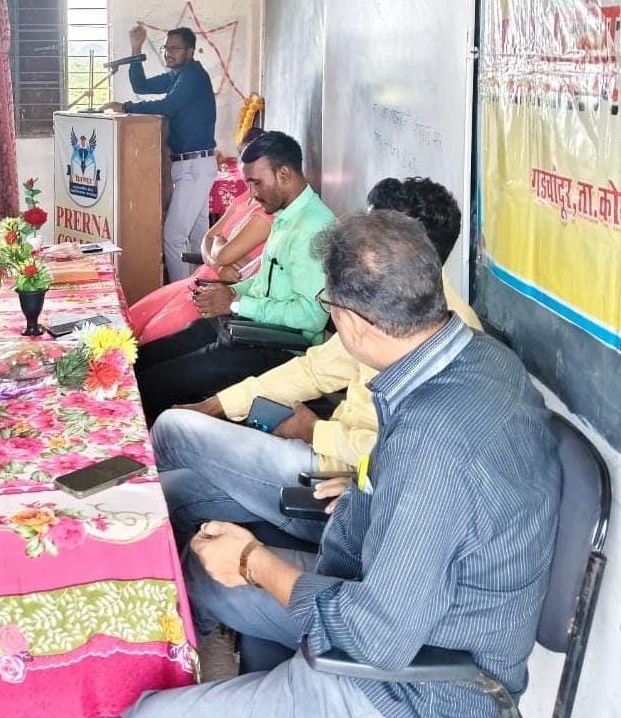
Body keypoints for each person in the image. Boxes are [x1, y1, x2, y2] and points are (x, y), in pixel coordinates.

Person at [86, 210, 561, 718]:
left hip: (412, 695)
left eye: (328, 306)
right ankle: (194, 681)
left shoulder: (434, 441)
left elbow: (376, 637)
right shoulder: (475, 358)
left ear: (352, 321)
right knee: (200, 571)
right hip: (380, 592)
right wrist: (366, 488)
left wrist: (252, 562)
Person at [155, 177, 483, 546]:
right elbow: (316, 369)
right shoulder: (388, 305)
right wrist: (215, 405)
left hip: (340, 492)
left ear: (407, 253)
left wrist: (315, 432)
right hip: (320, 456)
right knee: (173, 491)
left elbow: (406, 464)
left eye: (368, 241)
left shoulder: (446, 344)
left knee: (172, 427)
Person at [134, 131, 334, 419]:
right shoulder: (286, 215)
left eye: (256, 182)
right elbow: (265, 282)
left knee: (152, 385)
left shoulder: (313, 228)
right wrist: (231, 292)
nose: (251, 193)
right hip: (247, 326)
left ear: (284, 174)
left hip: (277, 347)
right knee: (141, 360)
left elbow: (310, 317)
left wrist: (236, 303)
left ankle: (141, 441)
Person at [128, 129, 273, 344]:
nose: (249, 180)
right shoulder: (244, 198)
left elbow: (224, 253)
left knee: (150, 336)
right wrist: (219, 262)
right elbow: (209, 238)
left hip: (218, 291)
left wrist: (219, 250)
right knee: (131, 319)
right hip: (201, 277)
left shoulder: (267, 212)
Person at [101, 24, 217, 282]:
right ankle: (202, 289)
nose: (168, 53)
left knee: (173, 237)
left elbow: (169, 105)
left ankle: (181, 294)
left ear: (190, 51)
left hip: (195, 166)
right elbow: (141, 86)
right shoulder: (176, 76)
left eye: (175, 48)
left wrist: (125, 107)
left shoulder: (193, 75)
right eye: (166, 48)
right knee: (197, 237)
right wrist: (136, 48)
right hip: (189, 165)